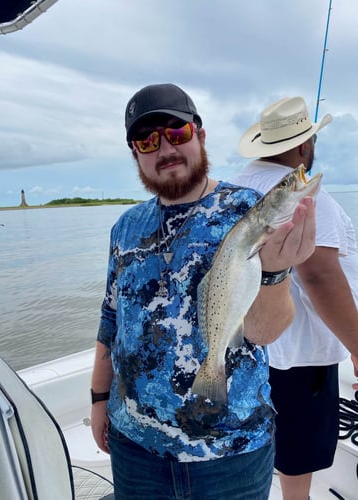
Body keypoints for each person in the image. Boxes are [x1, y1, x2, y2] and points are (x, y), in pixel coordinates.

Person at [90, 84, 316, 500]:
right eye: (148, 141)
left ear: (200, 135)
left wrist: (276, 271)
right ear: (136, 154)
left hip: (231, 453)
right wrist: (98, 398)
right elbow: (110, 321)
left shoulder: (246, 211)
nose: (165, 149)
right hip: (134, 448)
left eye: (177, 133)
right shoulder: (124, 228)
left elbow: (265, 332)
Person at [233, 96, 358, 500]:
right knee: (297, 460)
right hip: (300, 357)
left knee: (269, 444)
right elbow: (320, 275)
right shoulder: (302, 193)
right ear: (305, 145)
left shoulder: (236, 185)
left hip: (250, 349)